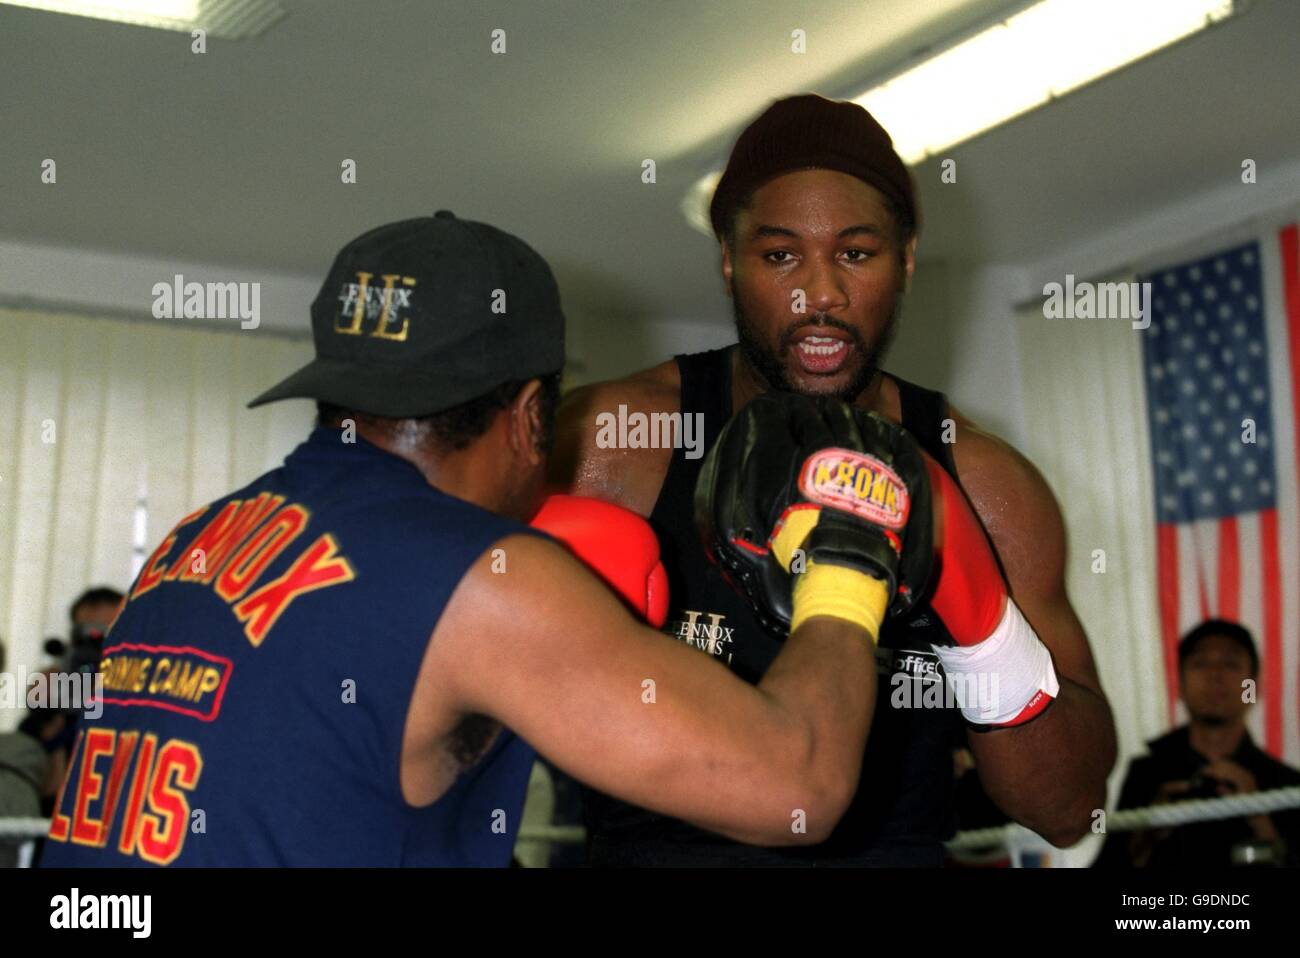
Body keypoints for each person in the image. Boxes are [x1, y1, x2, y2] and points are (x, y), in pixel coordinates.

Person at [40, 211, 927, 866]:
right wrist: (848, 552)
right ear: (532, 416)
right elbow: (795, 786)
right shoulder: (485, 581)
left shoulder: (188, 545)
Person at [552, 93, 1117, 866]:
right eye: (780, 254)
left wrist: (985, 630)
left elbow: (1067, 809)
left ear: (907, 259)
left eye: (856, 252)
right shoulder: (609, 447)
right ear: (727, 259)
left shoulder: (981, 484)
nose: (819, 293)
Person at [1094, 620, 1300, 867]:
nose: (1215, 675)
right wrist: (1145, 838)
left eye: (1231, 664)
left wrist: (1260, 818)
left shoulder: (1284, 784)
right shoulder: (1149, 774)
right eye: (1200, 663)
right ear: (1179, 685)